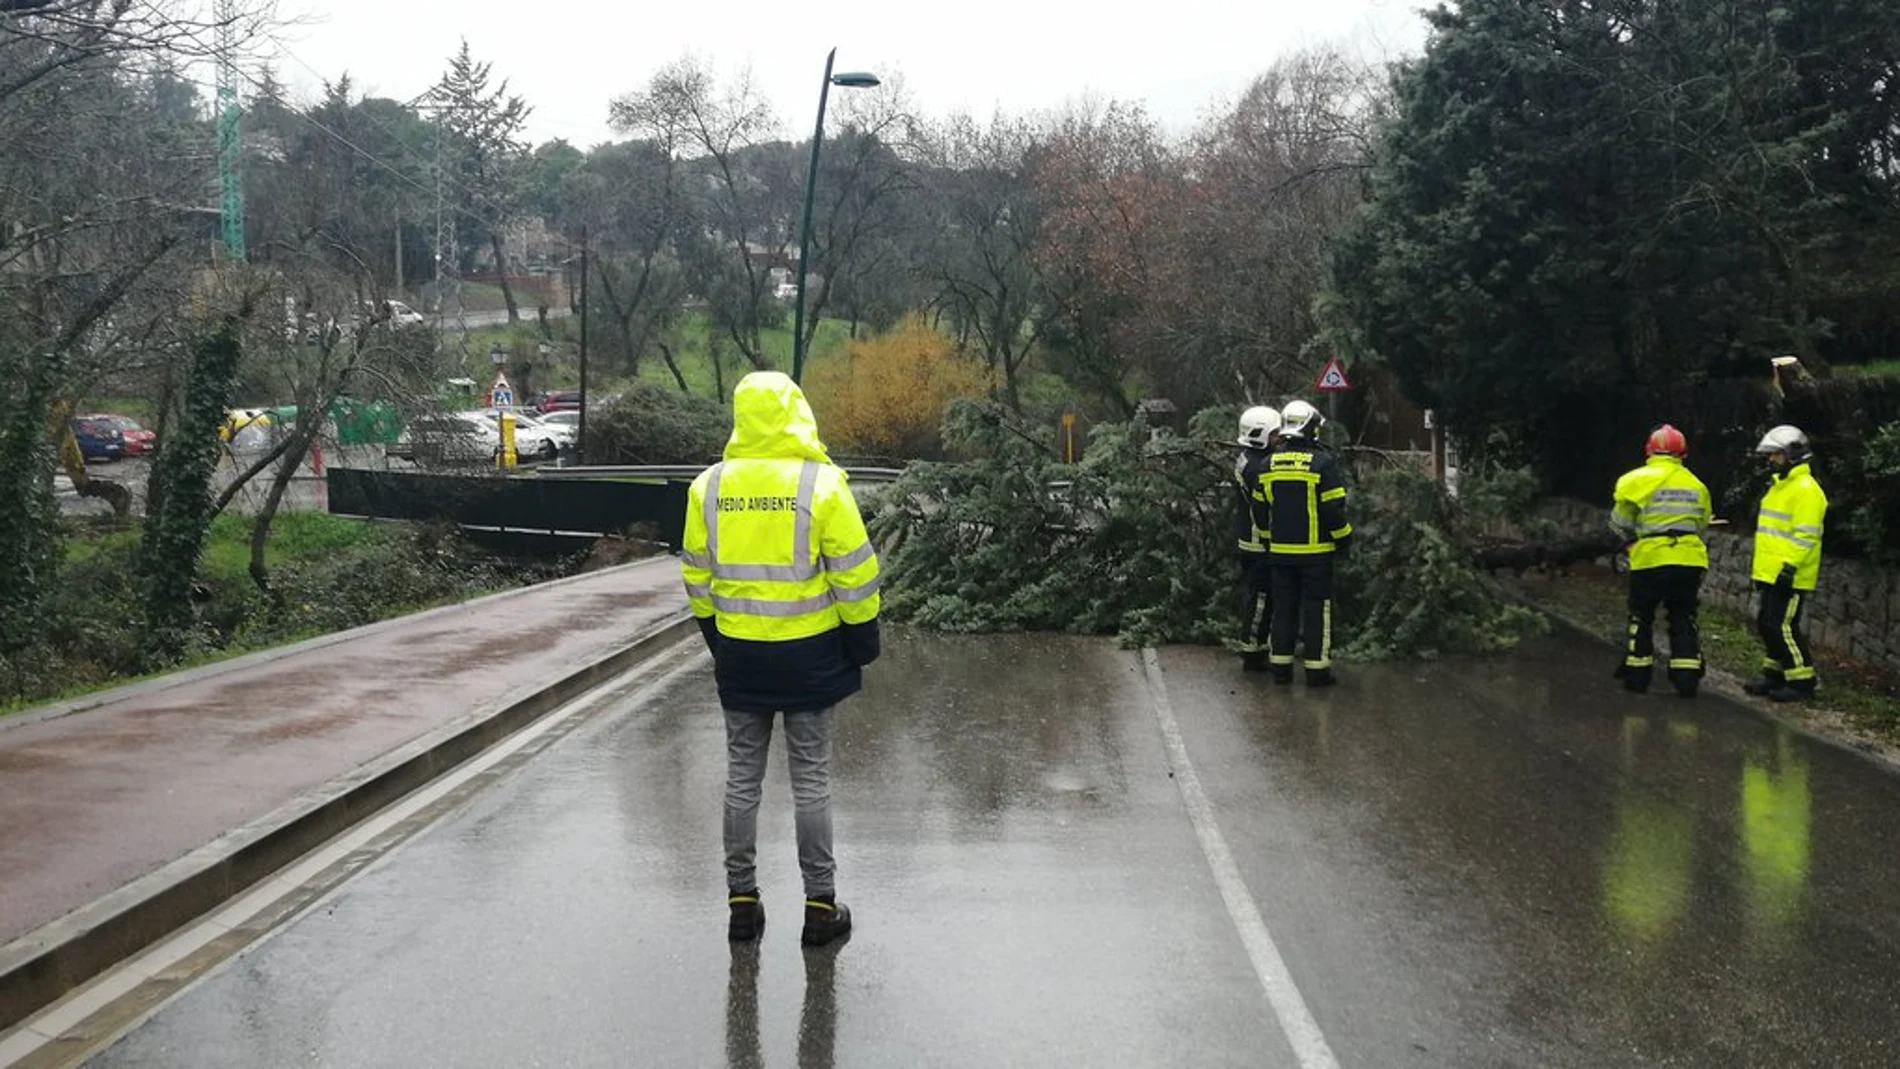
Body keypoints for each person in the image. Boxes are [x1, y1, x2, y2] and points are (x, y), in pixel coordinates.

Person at [681, 371, 882, 946]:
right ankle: (820, 907)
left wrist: (717, 640)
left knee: (742, 779)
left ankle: (742, 903)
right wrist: (862, 642)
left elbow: (696, 577)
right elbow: (856, 578)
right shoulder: (823, 486)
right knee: (811, 781)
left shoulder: (709, 488)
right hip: (811, 657)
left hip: (742, 654)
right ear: (797, 411)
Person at [1608, 424, 1713, 697]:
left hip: (1650, 558)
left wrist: (1630, 542)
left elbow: (1619, 523)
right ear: (1683, 453)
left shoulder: (1634, 480)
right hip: (1689, 559)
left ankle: (1638, 675)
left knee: (1641, 616)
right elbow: (1702, 523)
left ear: (1649, 450)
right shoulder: (1697, 485)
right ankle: (1686, 677)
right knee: (1683, 615)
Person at [1259, 399, 1352, 687]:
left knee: (1283, 609)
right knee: (1316, 610)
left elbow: (1260, 511)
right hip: (1316, 554)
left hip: (1280, 554)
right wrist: (1344, 538)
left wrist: (1267, 541)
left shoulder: (1268, 463)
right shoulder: (1322, 463)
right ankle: (1317, 670)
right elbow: (1332, 509)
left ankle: (1280, 668)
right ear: (1310, 429)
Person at [1744, 424, 1828, 702]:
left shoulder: (1805, 489)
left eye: (1776, 454)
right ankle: (1774, 675)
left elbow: (1806, 536)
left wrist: (1790, 566)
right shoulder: (1780, 487)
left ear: (1792, 454)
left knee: (1781, 626)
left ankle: (1802, 680)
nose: (1771, 460)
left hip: (1790, 574)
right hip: (1772, 571)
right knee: (1767, 623)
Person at [1234, 405, 1281, 671]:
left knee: (1258, 595)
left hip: (1250, 539)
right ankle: (1252, 650)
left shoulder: (1247, 458)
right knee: (1262, 597)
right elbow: (1268, 503)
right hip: (1258, 542)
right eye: (1274, 434)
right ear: (1259, 435)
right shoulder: (1256, 467)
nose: (1279, 439)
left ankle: (1258, 644)